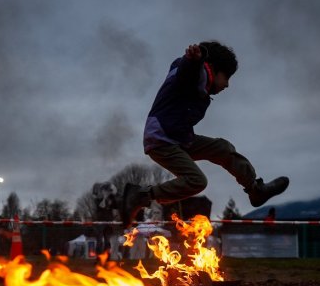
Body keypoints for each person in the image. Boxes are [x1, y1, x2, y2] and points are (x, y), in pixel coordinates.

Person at [121, 41, 289, 226]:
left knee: (222, 148)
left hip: (179, 138)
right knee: (197, 181)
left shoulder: (201, 85)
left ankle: (255, 190)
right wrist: (194, 59)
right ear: (214, 69)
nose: (227, 85)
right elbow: (188, 71)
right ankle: (141, 195)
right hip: (162, 139)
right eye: (227, 77)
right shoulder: (197, 75)